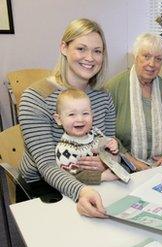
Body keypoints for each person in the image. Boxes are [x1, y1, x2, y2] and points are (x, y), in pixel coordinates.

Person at [18, 18, 115, 218]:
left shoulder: (103, 96)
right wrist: (81, 190)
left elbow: (109, 146)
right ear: (64, 47)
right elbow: (46, 166)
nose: (90, 57)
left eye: (97, 51)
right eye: (81, 49)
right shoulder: (36, 98)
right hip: (43, 186)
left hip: (92, 179)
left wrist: (106, 160)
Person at [106, 33, 162, 170]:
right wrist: (132, 161)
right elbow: (106, 134)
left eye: (158, 59)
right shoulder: (113, 87)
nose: (151, 64)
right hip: (123, 166)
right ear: (135, 56)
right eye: (146, 56)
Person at [54, 89, 119, 185]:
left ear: (93, 116)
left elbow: (107, 146)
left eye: (85, 113)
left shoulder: (95, 132)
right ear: (59, 119)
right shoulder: (64, 149)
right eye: (72, 114)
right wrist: (102, 177)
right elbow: (72, 176)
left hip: (108, 184)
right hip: (83, 191)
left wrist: (113, 145)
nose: (80, 119)